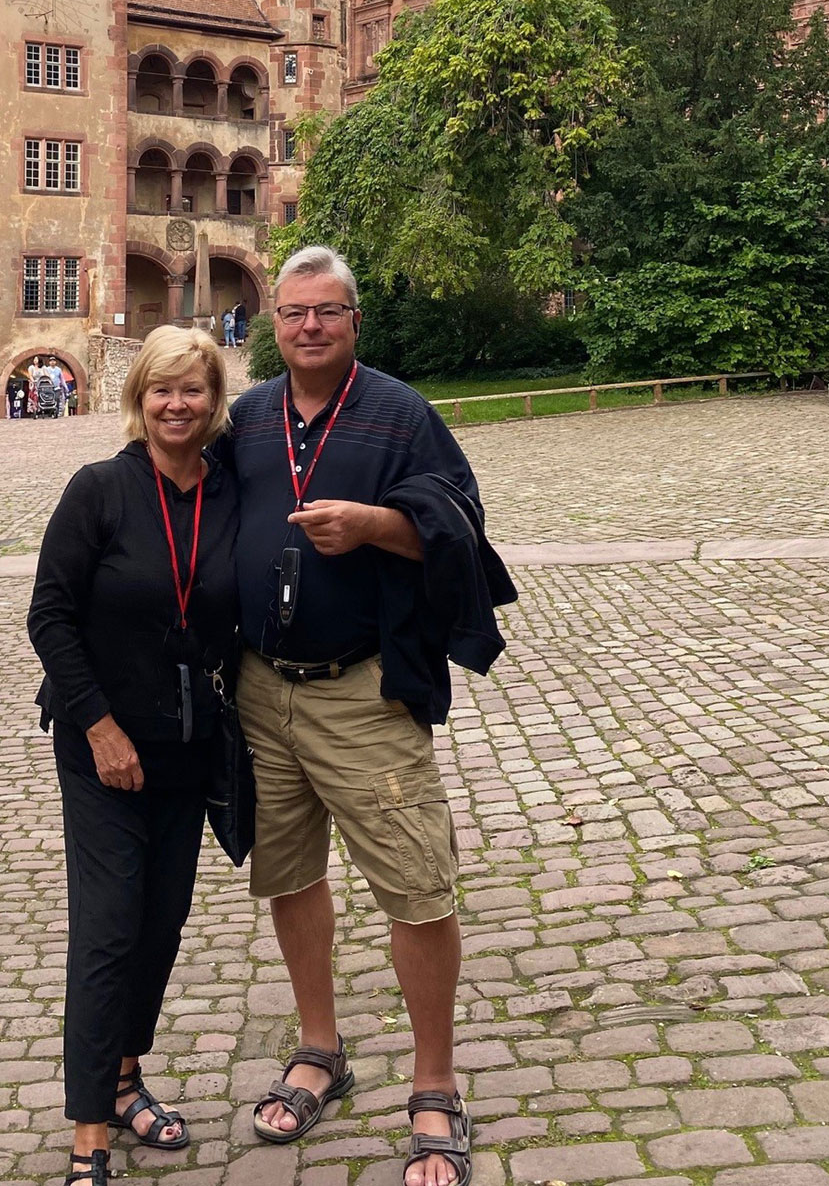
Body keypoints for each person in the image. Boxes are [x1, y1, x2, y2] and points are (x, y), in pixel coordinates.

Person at [231, 246, 513, 1186]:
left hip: (364, 688)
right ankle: (321, 1047)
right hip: (262, 688)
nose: (310, 326)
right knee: (288, 872)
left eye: (329, 311)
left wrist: (375, 526)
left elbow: (458, 520)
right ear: (275, 321)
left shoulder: (399, 412)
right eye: (294, 311)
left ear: (356, 321)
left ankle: (435, 1086)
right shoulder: (248, 415)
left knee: (416, 886)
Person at [28, 327, 237, 1186]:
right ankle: (89, 1137)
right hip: (103, 747)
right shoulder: (101, 490)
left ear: (214, 401)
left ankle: (123, 1076)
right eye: (162, 390)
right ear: (138, 399)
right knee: (109, 931)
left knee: (161, 923)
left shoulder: (230, 494)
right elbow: (50, 616)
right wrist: (98, 725)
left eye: (192, 390)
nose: (176, 405)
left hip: (187, 746)